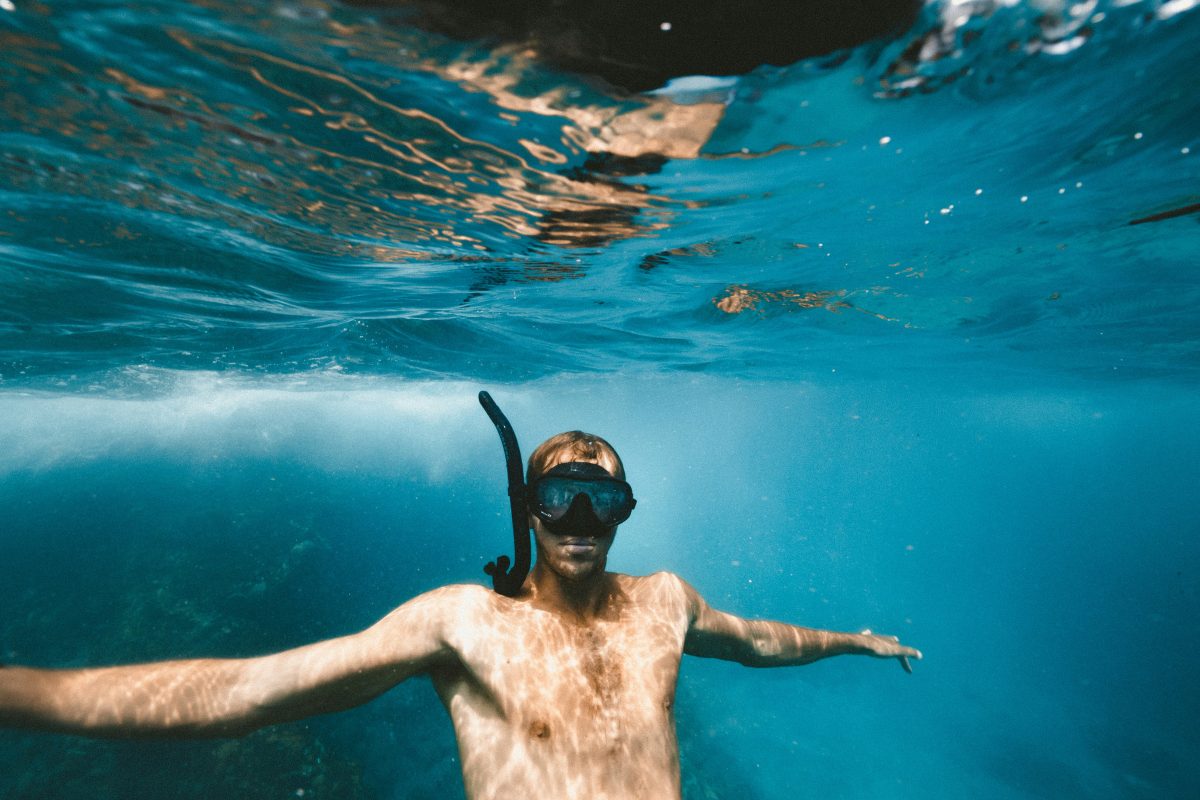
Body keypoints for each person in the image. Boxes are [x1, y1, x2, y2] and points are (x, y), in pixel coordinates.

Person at [0, 422, 920, 800]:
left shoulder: (664, 604)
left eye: (603, 501)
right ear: (527, 510)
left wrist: (851, 641)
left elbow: (757, 641)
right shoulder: (464, 624)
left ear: (628, 511)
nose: (582, 522)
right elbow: (242, 692)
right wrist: (24, 694)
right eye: (560, 499)